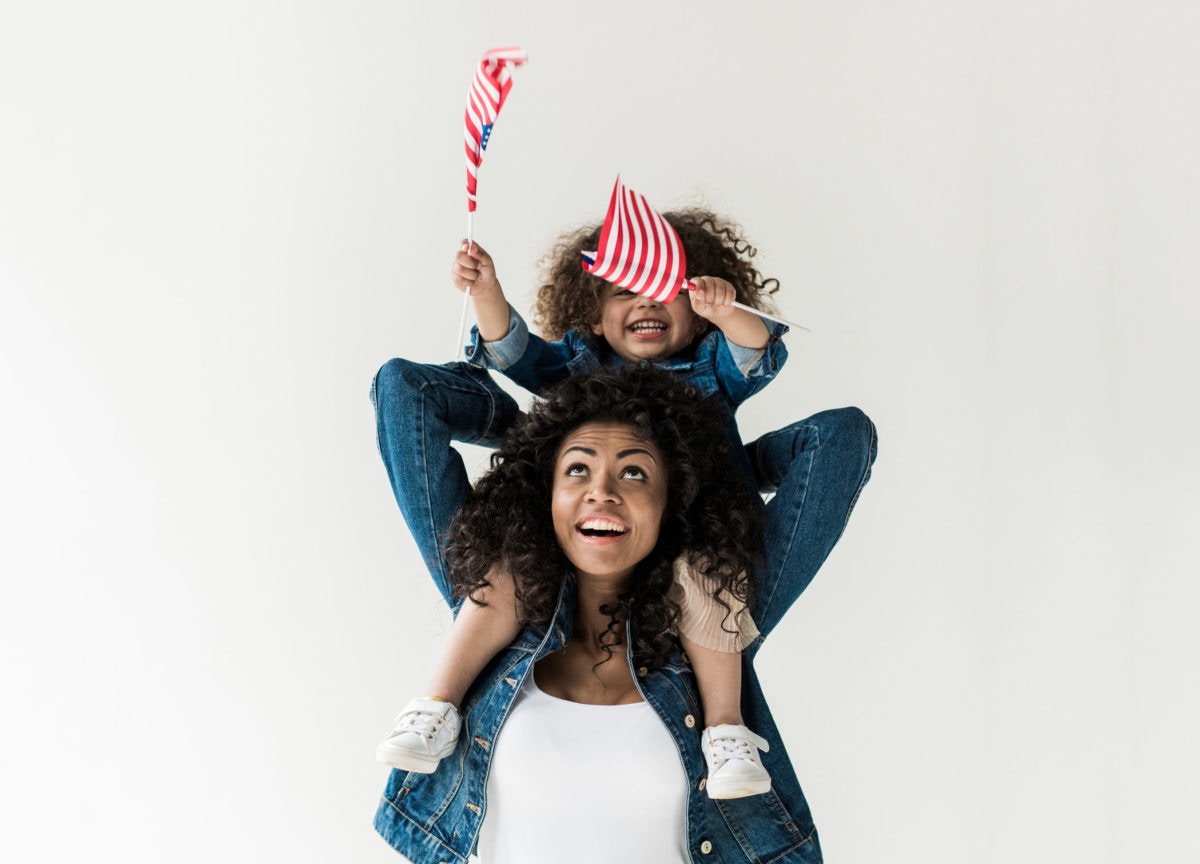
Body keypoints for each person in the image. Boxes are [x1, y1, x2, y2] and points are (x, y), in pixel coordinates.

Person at [372, 208, 865, 796]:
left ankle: (725, 729)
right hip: (562, 549)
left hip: (705, 544)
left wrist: (727, 311)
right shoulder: (579, 363)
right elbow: (515, 350)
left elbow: (755, 352)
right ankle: (439, 704)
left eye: (666, 290)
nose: (646, 302)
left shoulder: (708, 364)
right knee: (412, 392)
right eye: (625, 290)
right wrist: (487, 294)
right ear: (594, 315)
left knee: (833, 440)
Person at [372, 364, 876, 864]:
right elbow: (404, 391)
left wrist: (715, 470)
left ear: (671, 501)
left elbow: (840, 440)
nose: (602, 491)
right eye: (576, 469)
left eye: (634, 472)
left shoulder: (719, 627)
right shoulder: (488, 608)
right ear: (544, 492)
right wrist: (532, 436)